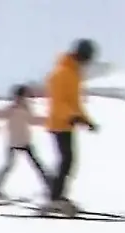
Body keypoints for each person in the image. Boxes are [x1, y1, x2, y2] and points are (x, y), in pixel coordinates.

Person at [44, 39, 99, 216]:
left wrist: (86, 120)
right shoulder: (61, 73)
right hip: (58, 123)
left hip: (67, 124)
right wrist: (72, 116)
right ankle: (54, 198)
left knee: (68, 161)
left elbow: (75, 103)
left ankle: (57, 196)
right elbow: (58, 102)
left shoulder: (74, 74)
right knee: (66, 160)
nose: (87, 63)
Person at [0, 85, 49, 200]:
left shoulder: (26, 108)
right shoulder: (11, 108)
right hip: (13, 142)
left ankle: (51, 188)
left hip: (25, 141)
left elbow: (32, 120)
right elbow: (0, 115)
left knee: (38, 166)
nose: (23, 98)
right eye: (22, 96)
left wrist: (47, 120)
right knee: (8, 166)